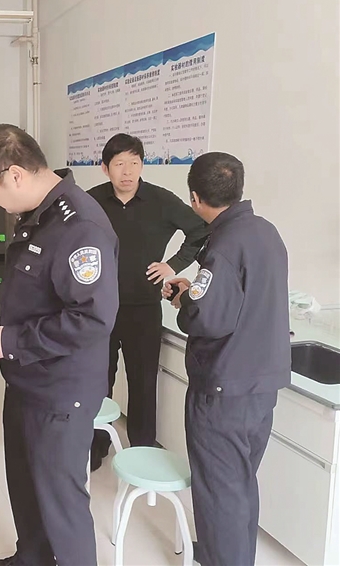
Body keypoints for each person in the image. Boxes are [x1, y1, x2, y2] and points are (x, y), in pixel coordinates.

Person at [0, 124, 119, 566]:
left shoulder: (80, 226)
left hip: (60, 389)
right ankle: (30, 558)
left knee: (60, 501)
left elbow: (91, 318)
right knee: (25, 482)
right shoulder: (39, 215)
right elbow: (39, 290)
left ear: (14, 175)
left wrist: (12, 339)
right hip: (27, 379)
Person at [162, 152, 290, 566]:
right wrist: (196, 291)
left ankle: (224, 558)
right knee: (240, 481)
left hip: (224, 390)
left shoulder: (224, 244)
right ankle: (227, 552)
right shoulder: (265, 232)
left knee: (220, 489)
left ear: (195, 198)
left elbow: (208, 319)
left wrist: (185, 300)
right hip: (261, 385)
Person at [88, 133, 208, 470]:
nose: (127, 171)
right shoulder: (91, 201)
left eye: (134, 163)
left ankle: (141, 451)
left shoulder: (161, 200)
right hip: (99, 308)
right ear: (105, 168)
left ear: (142, 164)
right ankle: (95, 447)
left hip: (143, 308)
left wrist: (173, 265)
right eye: (119, 164)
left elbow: (200, 229)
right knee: (97, 380)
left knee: (142, 383)